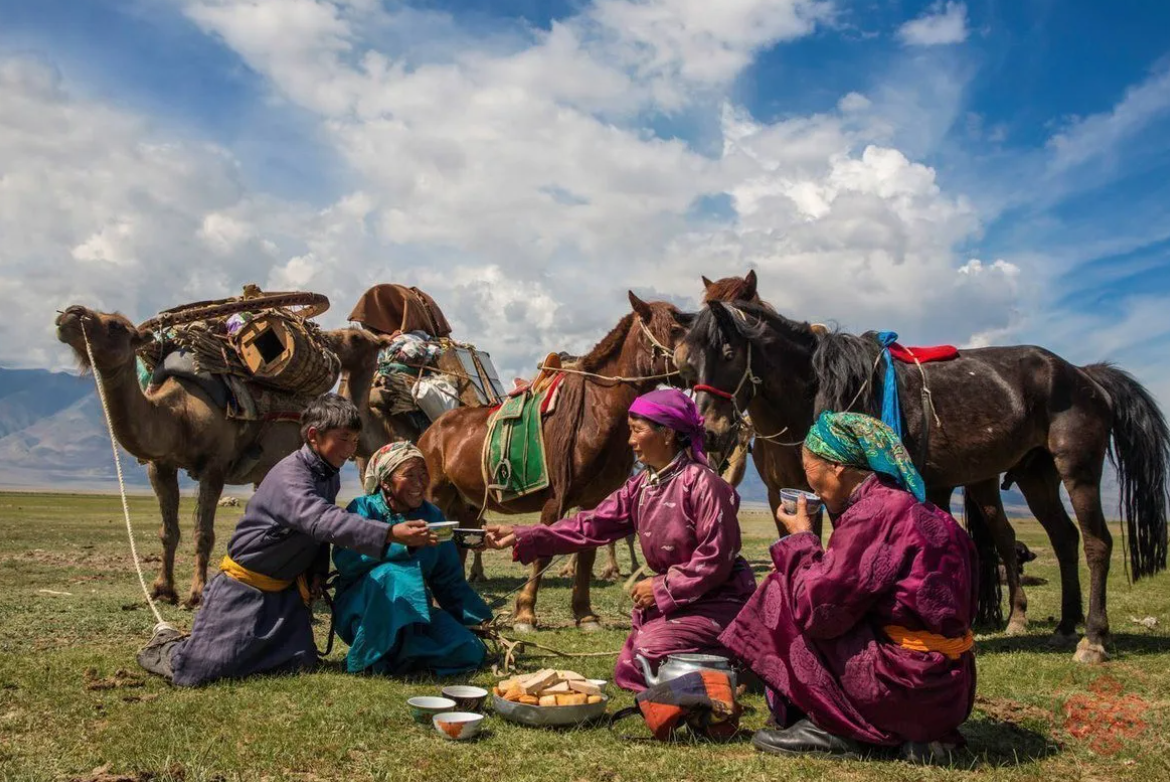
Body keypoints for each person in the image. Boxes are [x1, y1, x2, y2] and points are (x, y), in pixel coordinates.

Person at [719, 412, 977, 761]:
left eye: (810, 469)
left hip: (904, 690)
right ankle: (918, 734)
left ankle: (831, 725)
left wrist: (802, 539)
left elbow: (819, 613)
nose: (810, 486)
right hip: (951, 691)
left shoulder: (873, 513)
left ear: (838, 467)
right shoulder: (926, 511)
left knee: (782, 590)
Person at [136, 393, 431, 686]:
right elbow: (320, 519)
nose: (352, 449)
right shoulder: (291, 477)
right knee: (194, 672)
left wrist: (316, 571)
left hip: (284, 598)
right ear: (315, 436)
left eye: (355, 440)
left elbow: (316, 533)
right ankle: (165, 643)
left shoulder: (329, 474)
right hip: (242, 591)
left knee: (299, 662)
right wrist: (389, 533)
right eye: (344, 438)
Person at [484, 388, 756, 691]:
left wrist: (661, 587)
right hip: (679, 604)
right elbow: (589, 526)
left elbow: (716, 559)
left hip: (718, 602)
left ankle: (739, 659)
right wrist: (524, 534)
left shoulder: (704, 484)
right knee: (632, 661)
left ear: (666, 433)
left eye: (637, 431)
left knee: (648, 654)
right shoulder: (643, 485)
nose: (630, 441)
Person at [332, 441, 492, 675]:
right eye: (409, 475)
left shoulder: (432, 515)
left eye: (423, 473)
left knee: (472, 650)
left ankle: (399, 659)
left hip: (414, 611)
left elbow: (449, 580)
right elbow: (346, 560)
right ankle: (368, 657)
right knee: (394, 575)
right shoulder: (363, 510)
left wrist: (481, 620)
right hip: (363, 610)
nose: (420, 483)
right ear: (385, 482)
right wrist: (401, 547)